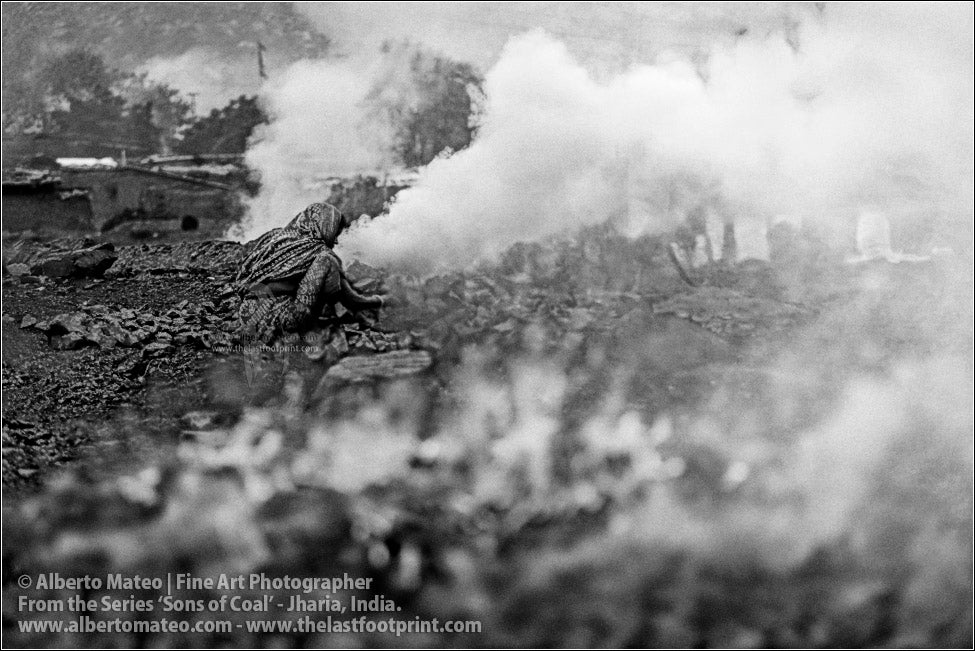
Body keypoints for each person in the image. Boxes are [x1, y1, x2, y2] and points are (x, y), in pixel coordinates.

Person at [233, 202, 384, 343]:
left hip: (246, 313)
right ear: (325, 226)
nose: (336, 242)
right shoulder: (320, 253)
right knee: (327, 263)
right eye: (335, 234)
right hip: (280, 319)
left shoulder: (278, 238)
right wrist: (378, 300)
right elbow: (350, 299)